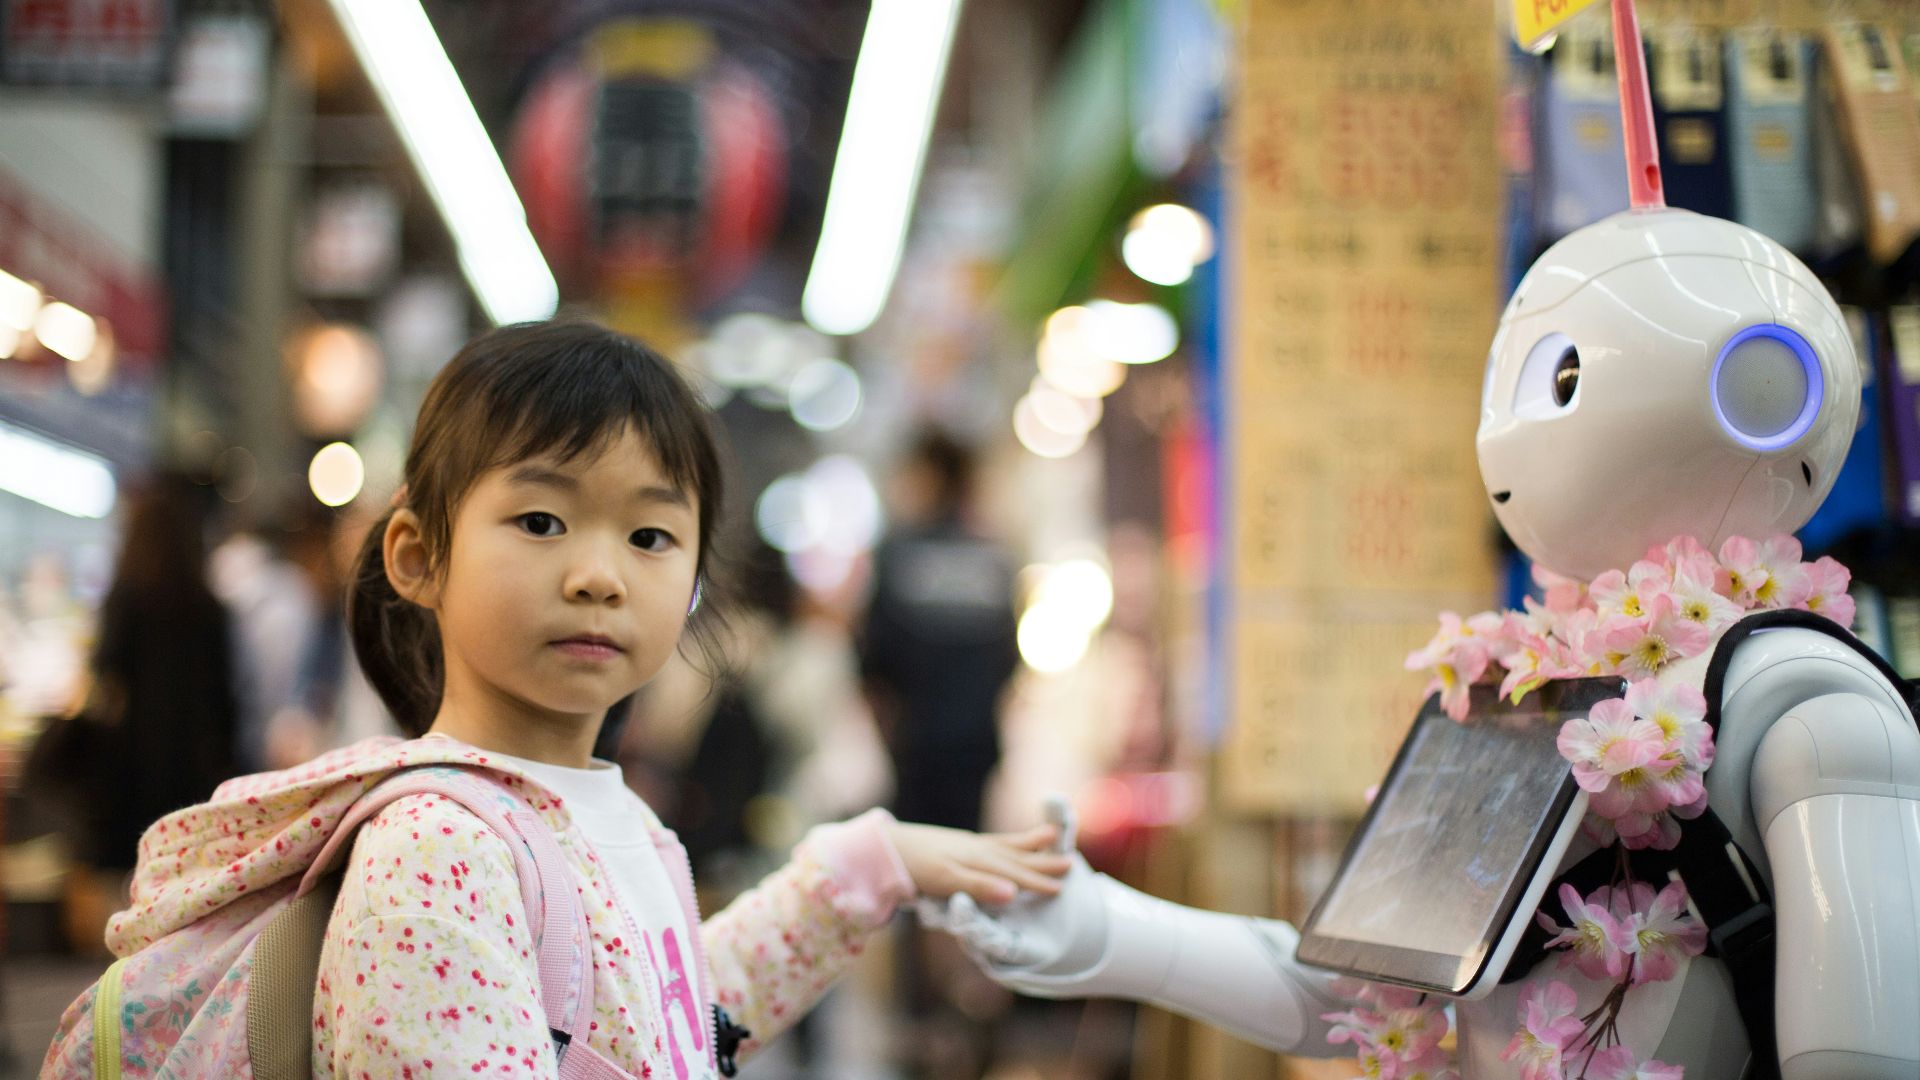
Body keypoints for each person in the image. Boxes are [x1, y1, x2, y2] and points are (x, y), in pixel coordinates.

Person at [84, 320, 1067, 1078]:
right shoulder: (436, 851)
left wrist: (873, 864)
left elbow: (659, 1023)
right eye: (543, 519)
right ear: (420, 557)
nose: (601, 575)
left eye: (649, 536)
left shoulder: (601, 817)